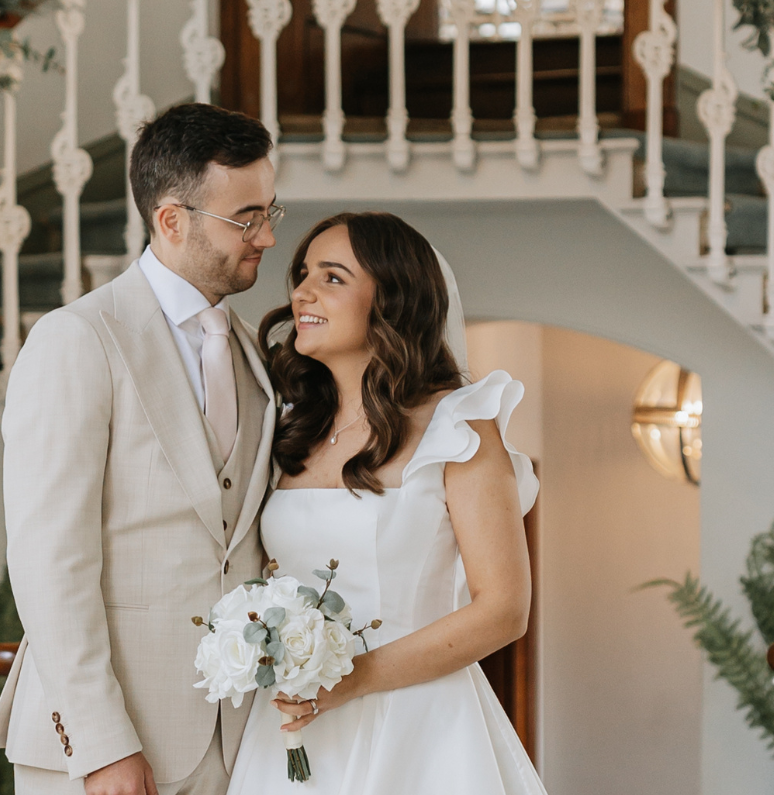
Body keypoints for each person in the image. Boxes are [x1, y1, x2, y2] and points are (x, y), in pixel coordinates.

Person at [0, 102, 284, 795]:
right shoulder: (78, 339)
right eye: (246, 218)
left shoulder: (250, 351)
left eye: (271, 210)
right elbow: (49, 561)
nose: (267, 236)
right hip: (107, 752)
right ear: (172, 221)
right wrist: (101, 744)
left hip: (234, 742)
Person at [231, 211, 545, 794]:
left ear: (392, 300)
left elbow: (504, 609)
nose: (301, 291)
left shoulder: (460, 426)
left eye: (333, 277)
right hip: (291, 728)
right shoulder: (292, 428)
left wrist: (350, 680)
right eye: (303, 274)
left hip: (419, 725)